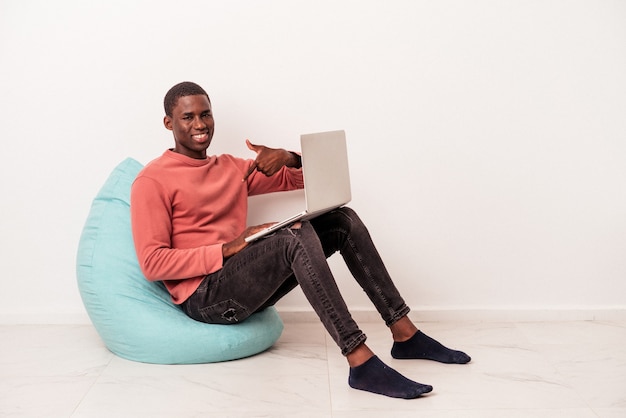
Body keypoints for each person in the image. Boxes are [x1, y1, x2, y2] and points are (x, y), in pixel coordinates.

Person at [130, 81, 471, 399]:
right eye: (187, 117)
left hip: (240, 281)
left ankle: (405, 333)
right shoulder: (152, 180)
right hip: (204, 297)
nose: (200, 124)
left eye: (205, 114)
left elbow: (309, 178)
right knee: (292, 238)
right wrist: (228, 248)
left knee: (342, 220)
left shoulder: (232, 168)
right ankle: (359, 359)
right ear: (168, 122)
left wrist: (290, 157)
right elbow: (153, 263)